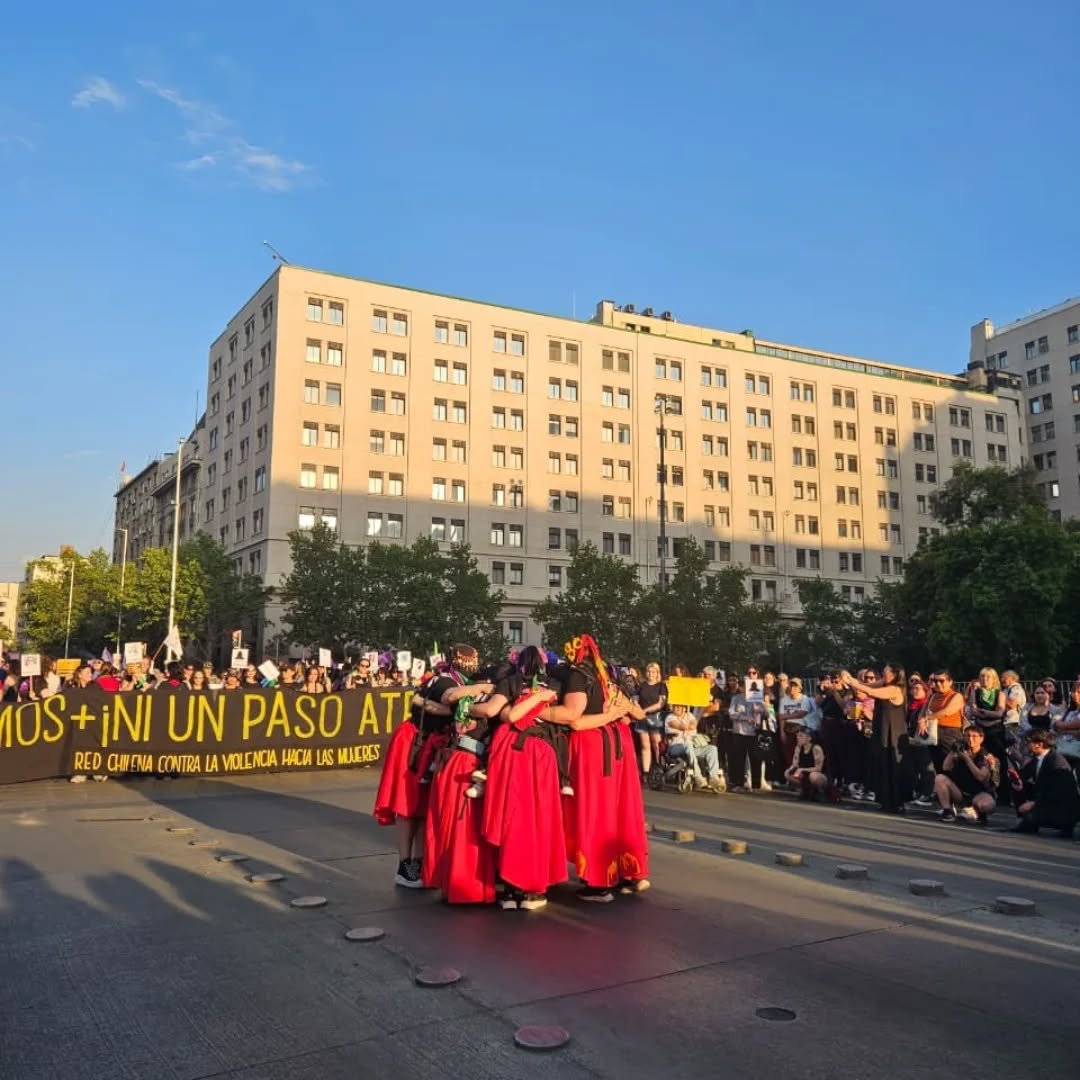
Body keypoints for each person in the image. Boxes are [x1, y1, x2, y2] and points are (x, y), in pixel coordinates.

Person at [548, 634, 650, 903]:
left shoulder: (579, 675)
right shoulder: (609, 675)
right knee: (622, 809)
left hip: (594, 745)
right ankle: (631, 873)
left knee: (595, 811)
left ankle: (598, 881)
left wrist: (541, 711)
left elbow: (575, 719)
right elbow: (636, 715)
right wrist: (618, 713)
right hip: (619, 743)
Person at [372, 645, 475, 888]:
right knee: (408, 806)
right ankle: (404, 863)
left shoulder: (454, 681)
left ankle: (418, 861)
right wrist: (478, 689)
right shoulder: (444, 680)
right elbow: (449, 699)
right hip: (415, 742)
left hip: (431, 743)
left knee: (422, 807)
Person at [485, 647, 571, 910]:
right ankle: (534, 887)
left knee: (512, 816)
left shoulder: (509, 682)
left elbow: (501, 713)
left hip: (512, 751)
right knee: (539, 818)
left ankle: (511, 887)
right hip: (541, 752)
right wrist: (540, 699)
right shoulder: (555, 685)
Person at [841, 664, 907, 814]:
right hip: (880, 728)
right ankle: (884, 799)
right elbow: (865, 685)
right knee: (881, 763)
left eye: (887, 670)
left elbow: (871, 692)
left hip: (892, 731)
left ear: (894, 674)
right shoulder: (883, 683)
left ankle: (896, 801)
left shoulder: (895, 689)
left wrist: (852, 682)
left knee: (891, 764)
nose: (884, 671)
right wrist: (850, 678)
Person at [1010, 729, 1080, 836]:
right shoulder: (1037, 759)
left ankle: (1064, 825)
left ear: (1039, 744)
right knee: (1019, 786)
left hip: (1060, 807)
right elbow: (1023, 775)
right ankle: (1026, 820)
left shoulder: (1055, 761)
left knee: (1031, 818)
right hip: (1045, 800)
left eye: (1028, 742)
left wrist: (1034, 803)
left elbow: (1059, 791)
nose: (1026, 745)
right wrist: (1017, 782)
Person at [933, 725, 998, 825]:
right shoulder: (961, 750)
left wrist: (967, 759)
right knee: (940, 778)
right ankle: (947, 811)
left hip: (979, 792)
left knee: (985, 806)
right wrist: (953, 751)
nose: (970, 739)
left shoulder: (985, 755)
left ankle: (979, 813)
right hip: (961, 792)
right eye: (967, 736)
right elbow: (945, 767)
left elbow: (980, 777)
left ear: (981, 738)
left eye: (974, 736)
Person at [663, 703, 725, 791]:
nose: (677, 708)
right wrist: (687, 726)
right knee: (688, 746)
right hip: (675, 747)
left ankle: (713, 777)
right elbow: (678, 725)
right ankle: (698, 776)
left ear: (684, 708)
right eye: (675, 706)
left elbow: (693, 725)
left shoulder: (690, 715)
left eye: (679, 706)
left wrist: (689, 724)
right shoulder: (670, 717)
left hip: (691, 746)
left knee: (712, 749)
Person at [726, 669, 769, 793]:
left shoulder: (757, 698)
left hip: (754, 732)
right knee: (739, 758)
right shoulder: (736, 698)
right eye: (744, 685)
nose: (745, 687)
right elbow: (731, 714)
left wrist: (760, 710)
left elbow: (766, 714)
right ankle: (738, 783)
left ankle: (756, 785)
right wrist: (745, 718)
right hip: (739, 732)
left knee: (755, 758)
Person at [906, 674, 936, 807]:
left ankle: (927, 793)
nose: (915, 691)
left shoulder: (925, 705)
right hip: (912, 739)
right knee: (914, 767)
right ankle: (917, 791)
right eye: (913, 689)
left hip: (923, 739)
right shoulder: (911, 705)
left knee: (926, 767)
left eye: (918, 688)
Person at [634, 661, 667, 784]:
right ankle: (646, 772)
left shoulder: (661, 686)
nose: (650, 674)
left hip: (655, 717)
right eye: (649, 671)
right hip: (642, 718)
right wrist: (637, 708)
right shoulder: (642, 685)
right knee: (645, 745)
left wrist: (645, 710)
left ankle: (658, 767)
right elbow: (635, 699)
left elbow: (661, 703)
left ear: (657, 673)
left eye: (653, 672)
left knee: (656, 744)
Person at [785, 728, 827, 800]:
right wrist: (793, 768)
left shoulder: (816, 748)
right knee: (788, 773)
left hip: (819, 774)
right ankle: (804, 790)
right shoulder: (798, 748)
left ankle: (819, 791)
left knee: (813, 776)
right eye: (797, 736)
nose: (798, 738)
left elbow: (818, 768)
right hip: (805, 773)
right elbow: (795, 764)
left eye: (801, 736)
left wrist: (802, 769)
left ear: (809, 738)